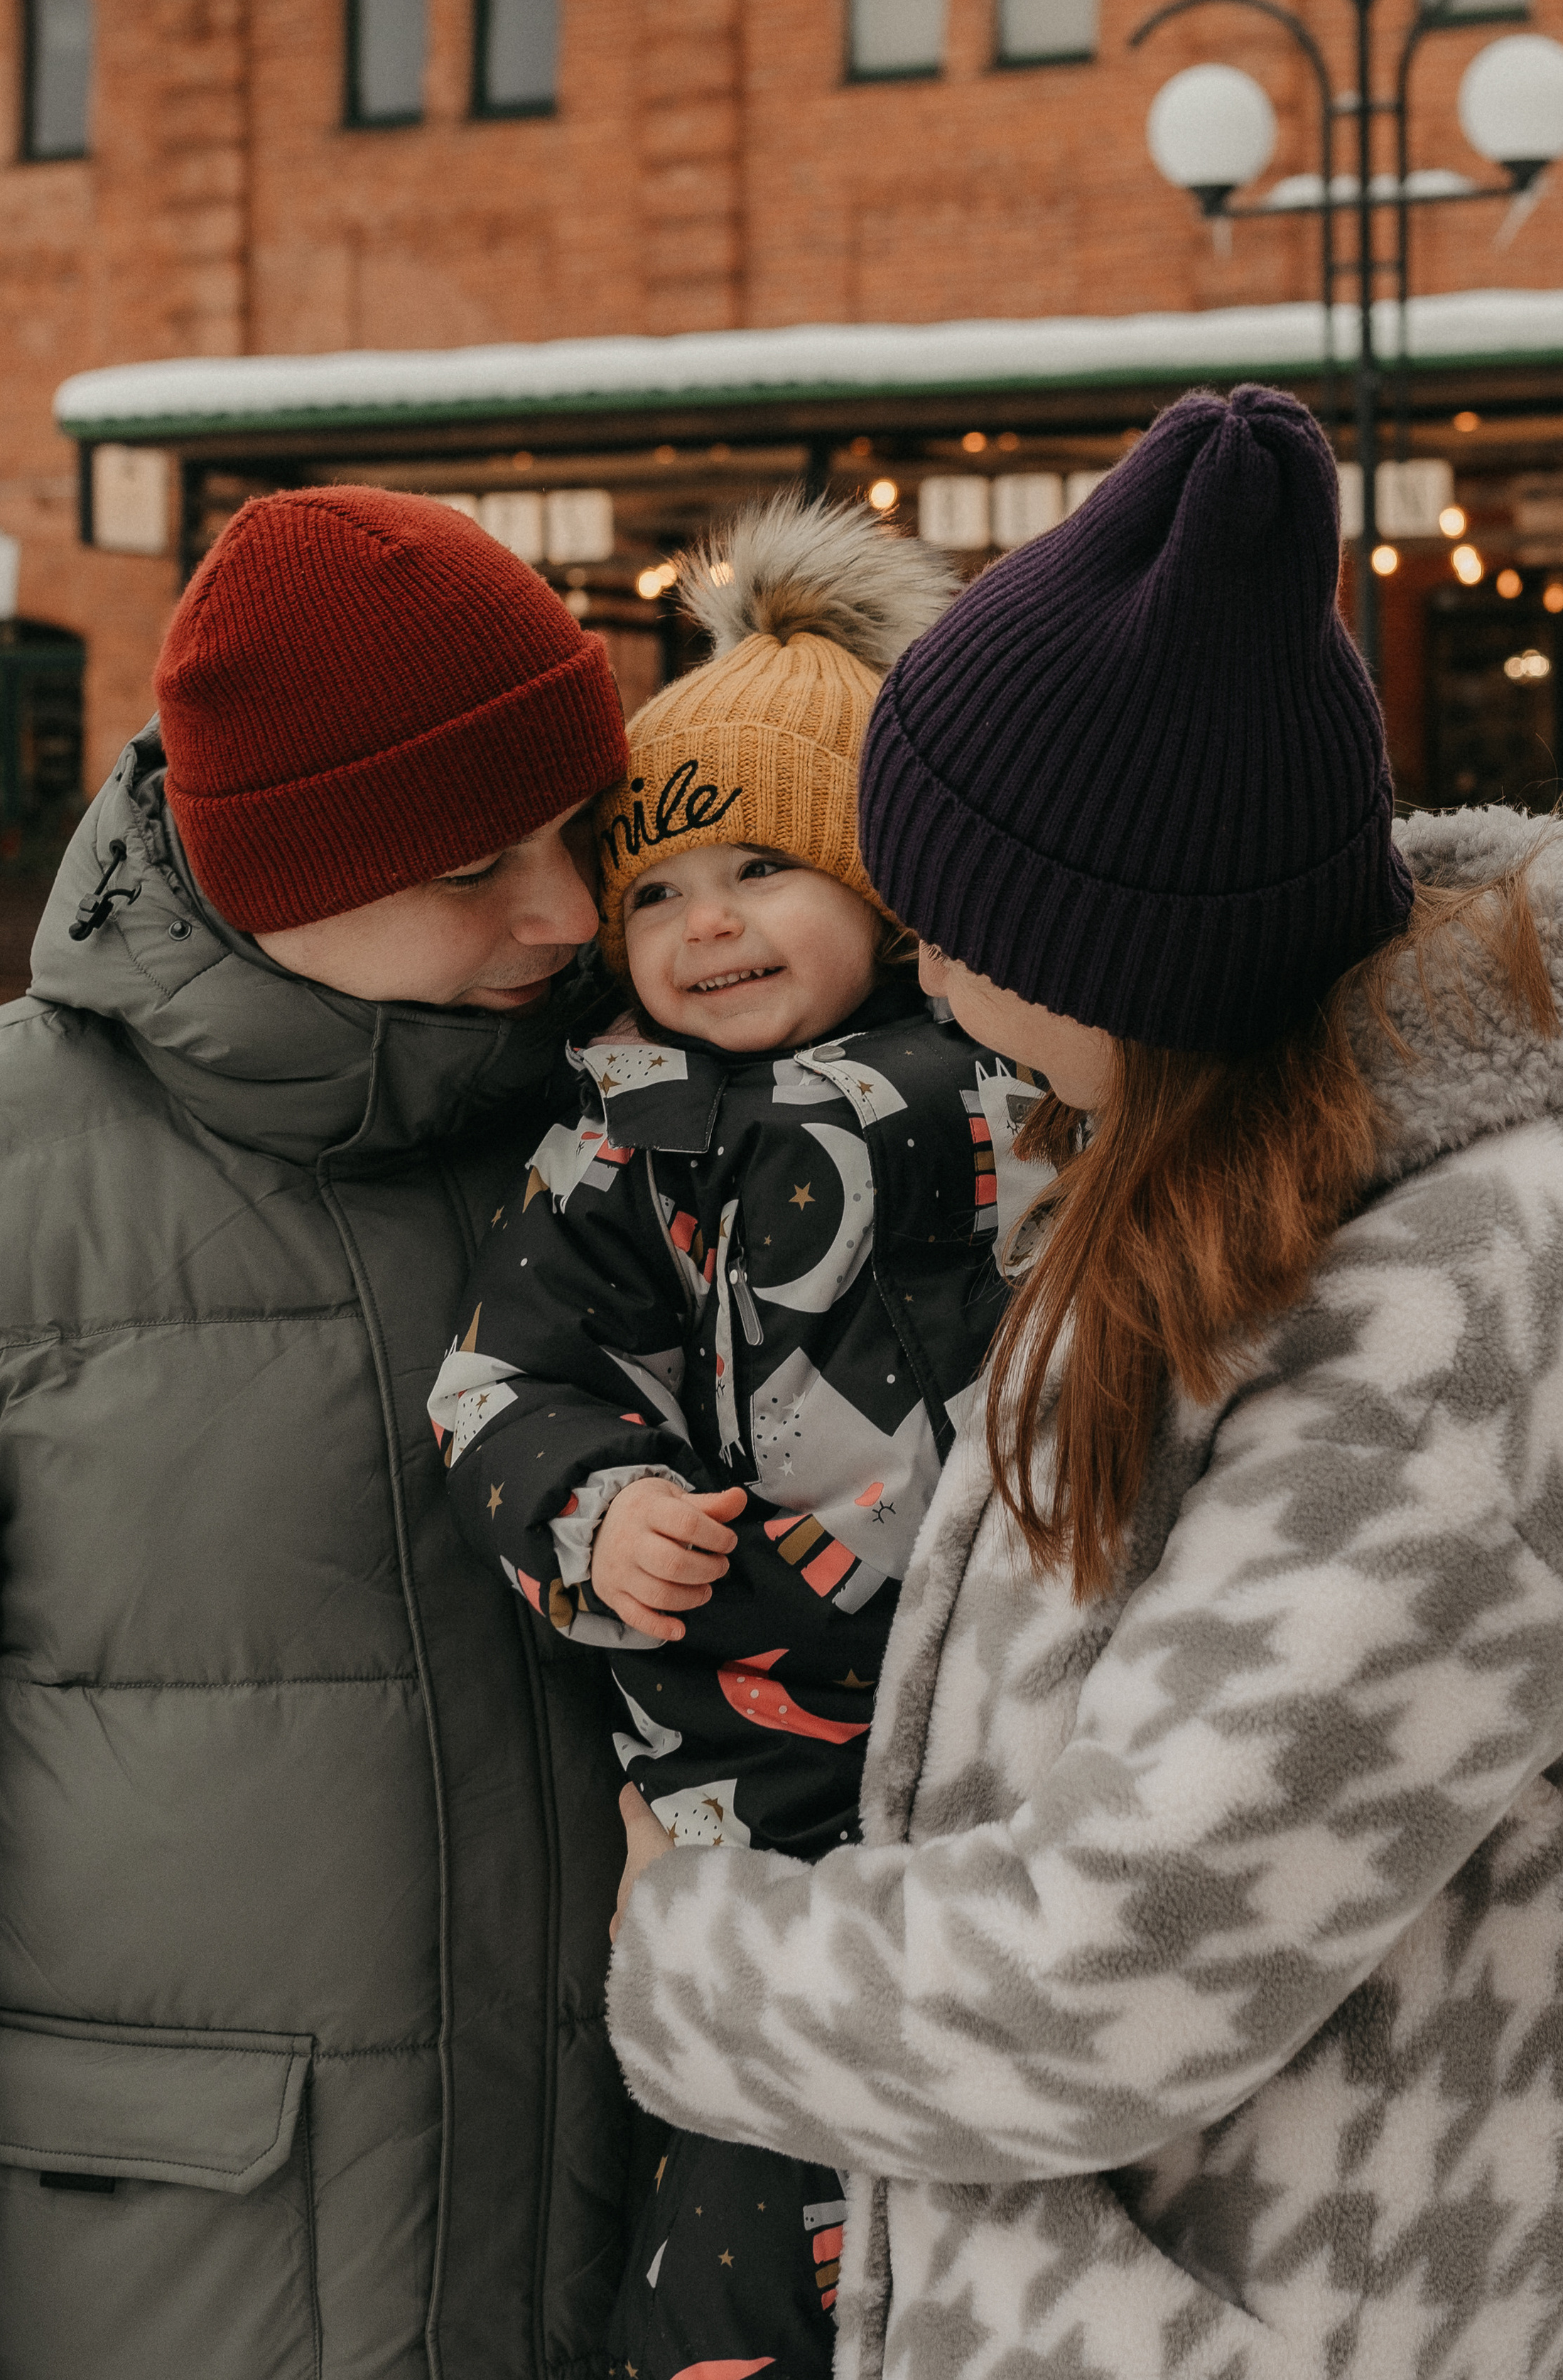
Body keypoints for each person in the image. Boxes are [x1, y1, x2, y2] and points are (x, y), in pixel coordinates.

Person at [605, 388, 1563, 2380]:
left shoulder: (1430, 1347)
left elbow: (1101, 1977)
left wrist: (690, 1952)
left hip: (1295, 2299)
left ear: (1102, 964)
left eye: (950, 919)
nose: (918, 957)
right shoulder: (1270, 1165)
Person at [0, 486, 637, 2380]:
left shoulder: (657, 1144)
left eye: (581, 834)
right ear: (276, 865)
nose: (568, 913)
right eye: (475, 866)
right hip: (165, 2303)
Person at [436, 497, 1037, 2380]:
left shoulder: (1032, 1098)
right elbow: (499, 1378)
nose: (706, 928)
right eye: (661, 894)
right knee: (747, 2218)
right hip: (752, 1784)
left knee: (1017, 2197)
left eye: (764, 870)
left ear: (890, 885)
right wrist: (594, 1514)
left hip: (1024, 1759)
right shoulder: (636, 1144)